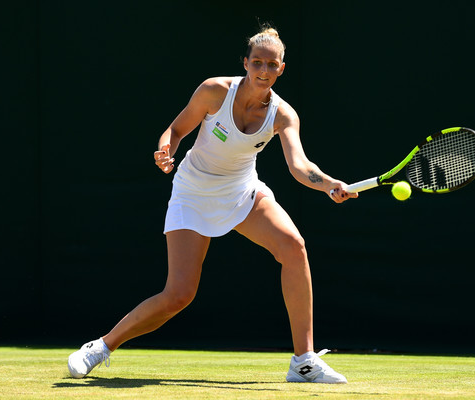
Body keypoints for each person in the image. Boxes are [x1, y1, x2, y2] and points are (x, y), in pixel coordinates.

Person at [67, 25, 357, 384]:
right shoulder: (214, 91)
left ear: (282, 68)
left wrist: (329, 185)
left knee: (294, 247)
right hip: (193, 192)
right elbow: (174, 131)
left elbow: (300, 166)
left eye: (271, 64)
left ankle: (304, 361)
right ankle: (100, 346)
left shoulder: (284, 115)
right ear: (246, 63)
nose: (264, 71)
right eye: (257, 63)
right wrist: (165, 151)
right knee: (179, 295)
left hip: (242, 192)